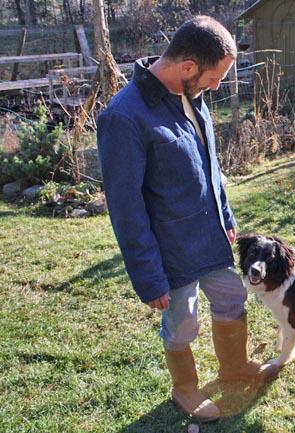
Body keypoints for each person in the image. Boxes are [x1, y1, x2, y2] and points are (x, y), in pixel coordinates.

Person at [96, 16, 278, 423]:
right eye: (215, 77)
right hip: (170, 251)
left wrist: (226, 215)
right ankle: (186, 389)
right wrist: (148, 275)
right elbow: (126, 209)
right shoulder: (124, 118)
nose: (216, 87)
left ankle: (233, 368)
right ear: (189, 66)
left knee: (232, 298)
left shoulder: (190, 96)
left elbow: (208, 166)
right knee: (182, 323)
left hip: (209, 237)